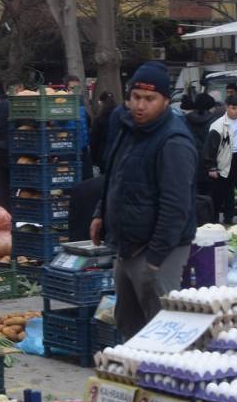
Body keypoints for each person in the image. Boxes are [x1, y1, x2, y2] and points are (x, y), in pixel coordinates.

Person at [89, 61, 196, 340]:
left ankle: (164, 382)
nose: (140, 105)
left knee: (162, 331)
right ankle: (137, 380)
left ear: (165, 101)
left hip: (158, 252)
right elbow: (114, 176)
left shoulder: (174, 141)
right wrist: (101, 213)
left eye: (150, 99)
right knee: (129, 325)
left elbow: (176, 206)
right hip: (126, 246)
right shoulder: (127, 128)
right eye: (136, 97)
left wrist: (155, 257)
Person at [204, 94, 237, 224]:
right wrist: (211, 166)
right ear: (226, 107)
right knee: (221, 192)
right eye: (234, 108)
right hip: (224, 160)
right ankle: (216, 220)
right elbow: (210, 148)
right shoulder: (217, 125)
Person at [185, 93, 217, 197]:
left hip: (190, 162)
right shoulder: (214, 121)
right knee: (209, 197)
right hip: (209, 165)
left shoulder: (186, 119)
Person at [89, 92, 116, 173]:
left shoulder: (99, 119)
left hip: (103, 153)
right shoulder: (120, 116)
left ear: (100, 102)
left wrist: (93, 158)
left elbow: (94, 139)